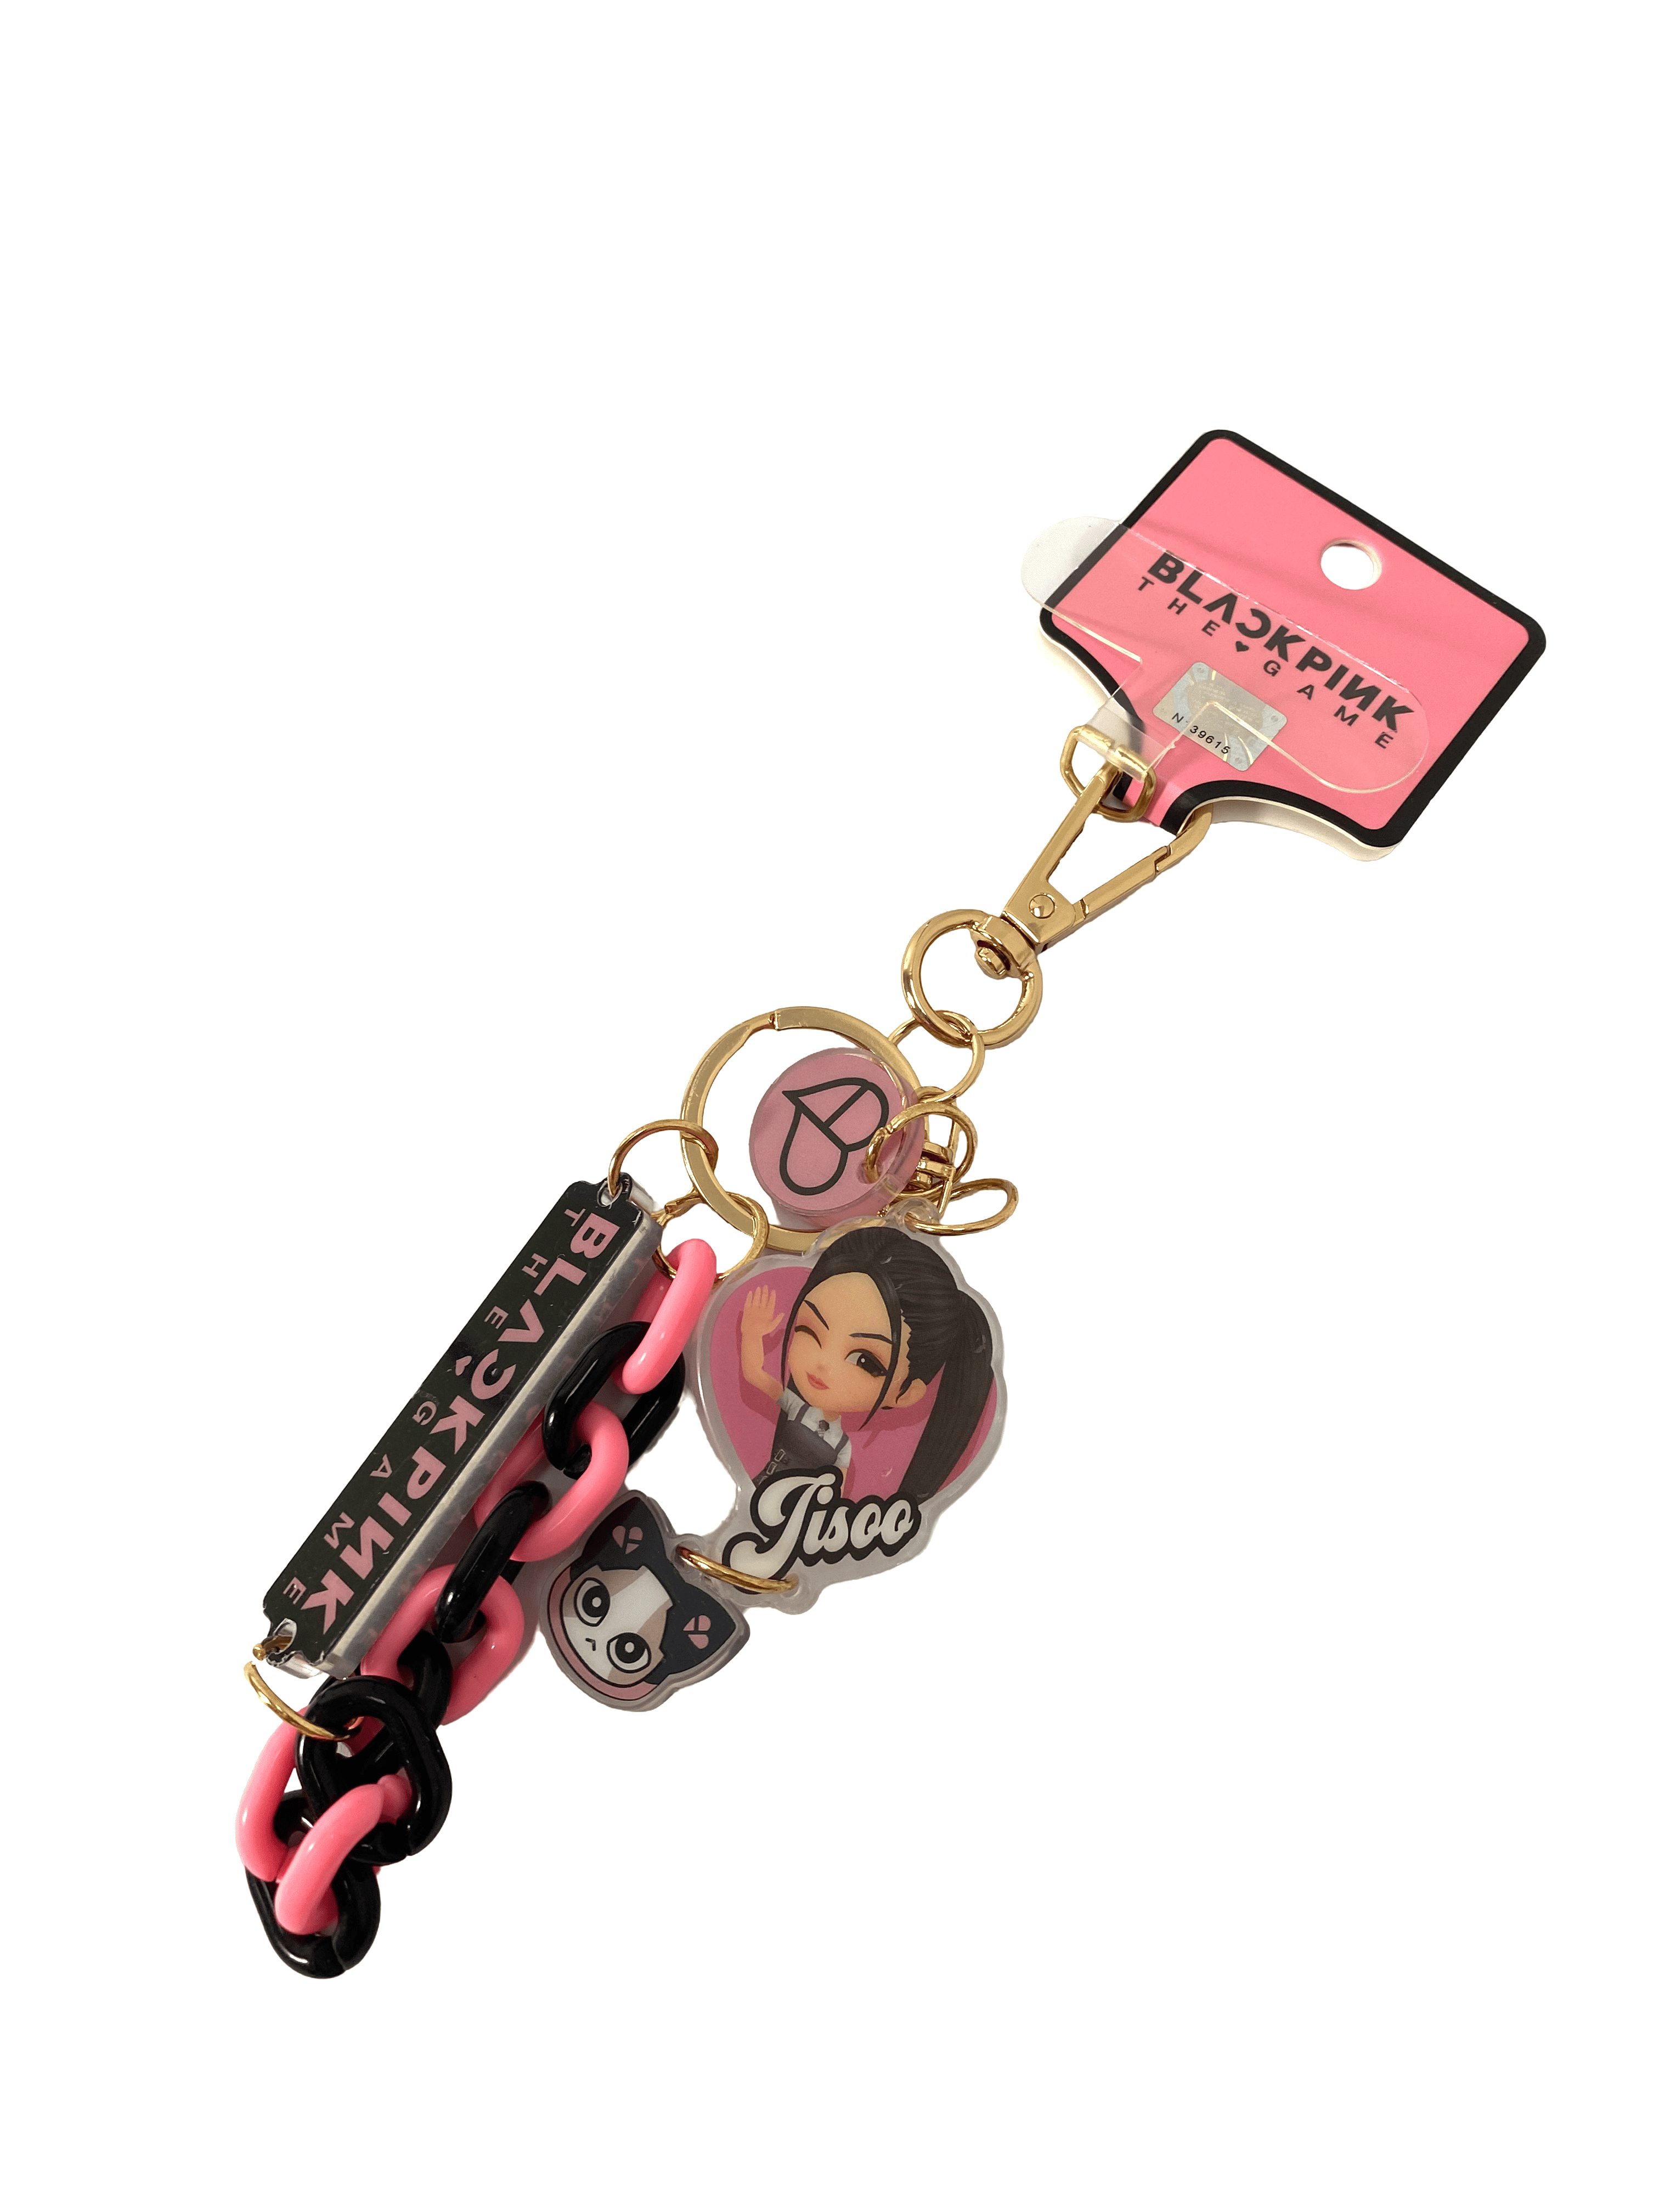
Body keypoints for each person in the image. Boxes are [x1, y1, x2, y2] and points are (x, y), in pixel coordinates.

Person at [738, 1224, 994, 1504]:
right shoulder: (797, 1408)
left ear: (906, 1394)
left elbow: (834, 1493)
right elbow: (754, 1374)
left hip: (799, 1510)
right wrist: (752, 1334)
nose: (824, 1364)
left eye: (865, 1362)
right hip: (762, 1492)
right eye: (809, 1330)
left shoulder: (841, 1446)